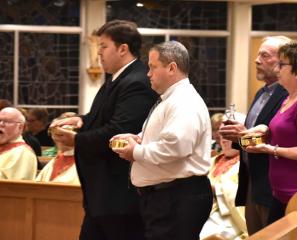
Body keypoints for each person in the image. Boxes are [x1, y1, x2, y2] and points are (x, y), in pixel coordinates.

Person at [50, 19, 158, 240]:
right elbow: (103, 117)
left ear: (122, 49)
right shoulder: (116, 79)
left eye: (103, 46)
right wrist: (79, 120)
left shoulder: (136, 81)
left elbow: (119, 131)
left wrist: (76, 141)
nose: (98, 52)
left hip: (119, 196)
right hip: (103, 195)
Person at [111, 41, 213, 240]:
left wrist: (136, 152)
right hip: (167, 196)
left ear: (172, 68)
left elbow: (176, 147)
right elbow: (165, 137)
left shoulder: (183, 101)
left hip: (177, 197)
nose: (148, 74)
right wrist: (138, 139)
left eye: (152, 67)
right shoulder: (171, 99)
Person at [243, 40, 297, 224]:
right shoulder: (290, 98)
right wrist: (265, 130)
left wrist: (271, 149)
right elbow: (287, 133)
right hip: (281, 192)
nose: (277, 70)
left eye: (282, 65)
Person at [219, 36, 290, 235]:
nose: (256, 60)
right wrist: (238, 134)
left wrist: (244, 134)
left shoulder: (288, 96)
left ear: (282, 62)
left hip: (271, 185)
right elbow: (254, 135)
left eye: (264, 55)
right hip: (252, 181)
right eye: (258, 54)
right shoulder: (261, 93)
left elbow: (279, 138)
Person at [200, 134, 247, 240]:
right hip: (202, 211)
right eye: (221, 135)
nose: (223, 140)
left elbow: (245, 196)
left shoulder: (246, 164)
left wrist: (216, 189)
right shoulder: (212, 160)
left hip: (228, 216)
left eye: (228, 135)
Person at [0, 107, 37, 180]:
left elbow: (14, 187)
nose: (1, 124)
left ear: (20, 127)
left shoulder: (22, 153)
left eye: (7, 121)